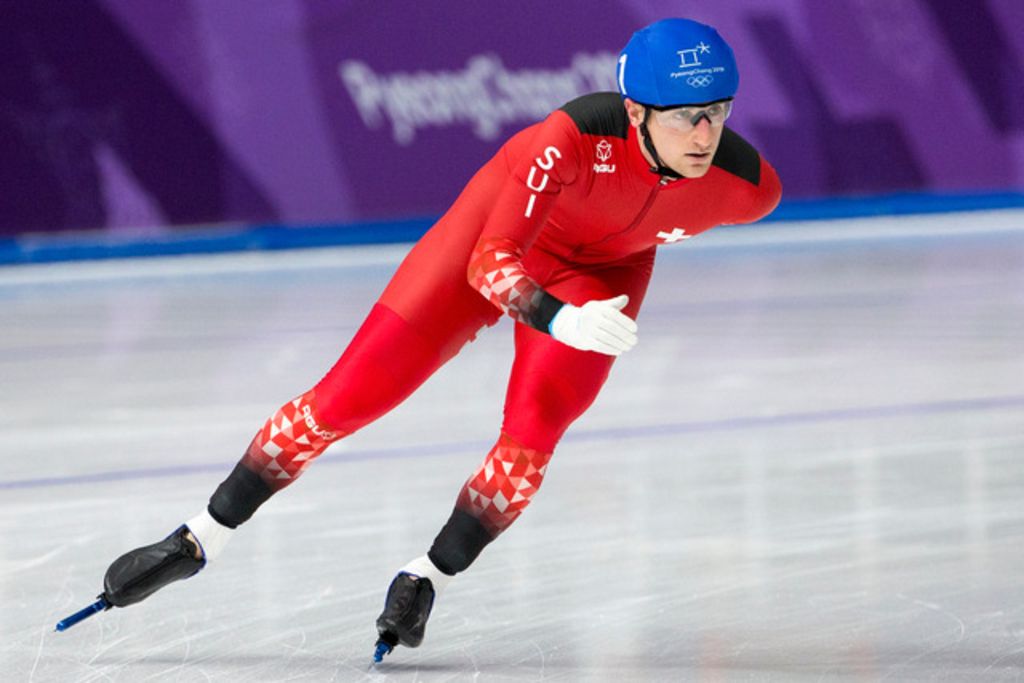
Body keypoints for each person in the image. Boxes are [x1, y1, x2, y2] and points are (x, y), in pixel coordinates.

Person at [82, 18, 782, 659]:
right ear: (635, 113)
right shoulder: (570, 138)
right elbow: (490, 263)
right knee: (344, 398)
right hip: (492, 238)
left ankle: (427, 578)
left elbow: (658, 207)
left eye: (719, 113)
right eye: (690, 116)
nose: (706, 135)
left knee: (530, 440)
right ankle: (200, 536)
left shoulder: (747, 188)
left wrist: (600, 282)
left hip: (600, 272)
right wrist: (561, 318)